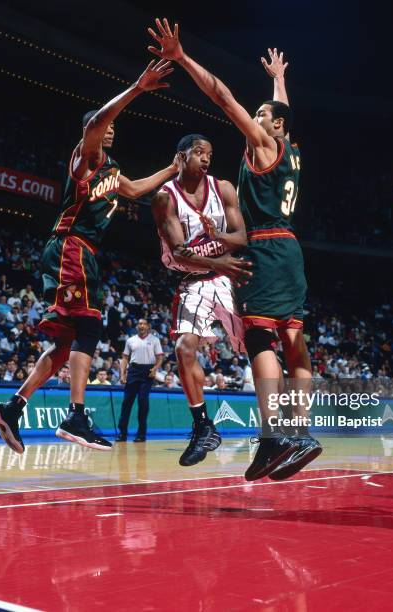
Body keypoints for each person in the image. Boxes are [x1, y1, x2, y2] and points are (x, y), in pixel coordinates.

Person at [147, 22, 322, 480]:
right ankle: (298, 432)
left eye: (262, 113)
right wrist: (279, 79)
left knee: (262, 339)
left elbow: (223, 96)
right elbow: (285, 110)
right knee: (295, 345)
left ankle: (272, 437)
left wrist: (183, 58)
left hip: (263, 249)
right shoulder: (291, 149)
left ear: (274, 125)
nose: (256, 117)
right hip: (291, 252)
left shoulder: (263, 144)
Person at [0, 59, 178, 454]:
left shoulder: (111, 169)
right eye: (106, 124)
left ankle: (12, 407)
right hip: (70, 247)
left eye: (113, 127)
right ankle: (76, 415)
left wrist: (172, 169)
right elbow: (95, 125)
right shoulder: (85, 157)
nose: (111, 129)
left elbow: (135, 189)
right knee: (90, 328)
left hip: (79, 253)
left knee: (65, 344)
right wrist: (138, 88)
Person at [152, 133, 250, 466]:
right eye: (198, 152)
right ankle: (203, 426)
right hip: (192, 280)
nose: (206, 158)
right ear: (180, 157)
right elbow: (180, 251)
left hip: (226, 277)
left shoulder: (223, 189)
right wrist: (218, 259)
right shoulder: (165, 198)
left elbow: (241, 237)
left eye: (209, 153)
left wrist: (219, 238)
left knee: (261, 343)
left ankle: (283, 427)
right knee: (183, 349)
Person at [117, 319, 163, 442]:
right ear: (137, 326)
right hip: (133, 371)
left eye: (144, 324)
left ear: (148, 326)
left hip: (147, 373)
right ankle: (122, 433)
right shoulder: (130, 340)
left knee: (143, 403)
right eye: (139, 323)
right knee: (126, 402)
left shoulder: (155, 340)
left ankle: (141, 434)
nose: (141, 325)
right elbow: (125, 358)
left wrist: (155, 369)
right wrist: (122, 374)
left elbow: (160, 357)